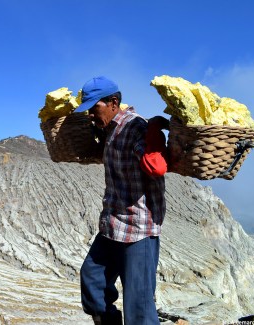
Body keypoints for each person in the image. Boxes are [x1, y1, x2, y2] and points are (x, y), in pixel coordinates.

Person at [75, 76, 169, 325]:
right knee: (93, 279)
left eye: (94, 108)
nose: (91, 116)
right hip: (113, 224)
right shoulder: (109, 129)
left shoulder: (133, 127)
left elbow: (155, 166)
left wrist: (153, 140)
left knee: (139, 306)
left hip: (138, 227)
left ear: (113, 102)